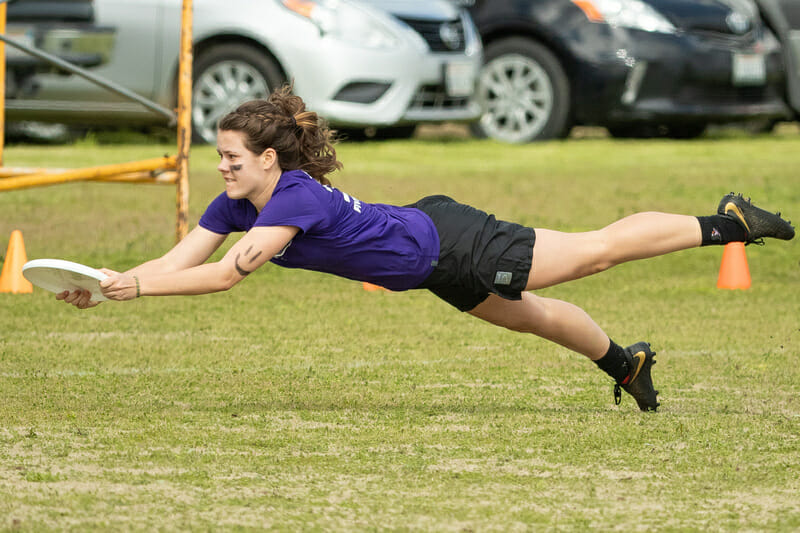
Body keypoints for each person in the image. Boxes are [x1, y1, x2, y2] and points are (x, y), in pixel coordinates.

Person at [57, 85, 795, 411]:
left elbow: (221, 279)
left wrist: (139, 290)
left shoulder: (293, 199)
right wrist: (104, 280)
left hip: (454, 242)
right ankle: (625, 362)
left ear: (270, 159)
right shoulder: (239, 202)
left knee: (595, 252)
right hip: (433, 259)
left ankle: (724, 221)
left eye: (231, 157)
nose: (220, 167)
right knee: (535, 317)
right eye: (218, 156)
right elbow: (179, 258)